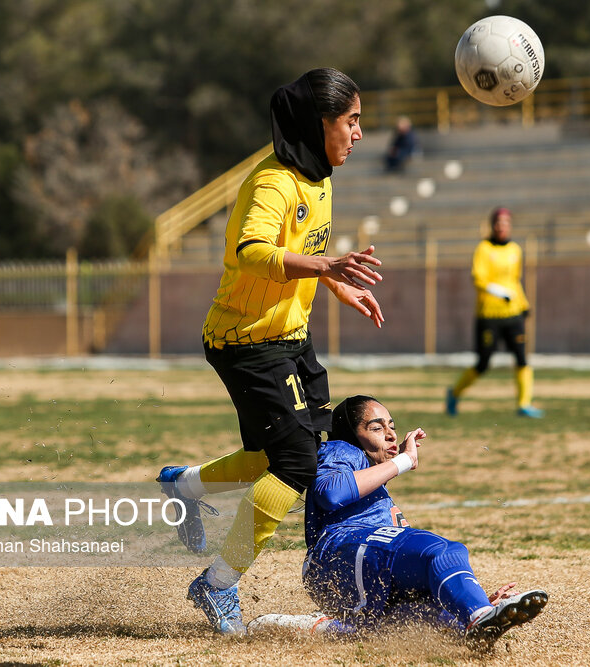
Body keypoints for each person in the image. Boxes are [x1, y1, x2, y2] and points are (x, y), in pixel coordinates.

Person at [155, 68, 388, 635]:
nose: (359, 133)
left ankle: (185, 485)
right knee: (295, 464)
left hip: (290, 339)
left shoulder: (319, 177)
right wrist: (327, 267)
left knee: (277, 459)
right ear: (319, 123)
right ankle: (217, 585)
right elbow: (253, 251)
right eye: (351, 120)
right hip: (246, 343)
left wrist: (335, 281)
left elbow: (307, 248)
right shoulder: (273, 182)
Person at [246, 395, 548, 651]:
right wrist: (403, 461)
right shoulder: (342, 449)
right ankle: (478, 614)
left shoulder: (374, 485)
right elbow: (330, 492)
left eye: (392, 426)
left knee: (435, 622)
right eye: (376, 428)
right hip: (337, 554)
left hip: (351, 569)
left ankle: (313, 627)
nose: (390, 434)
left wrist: (475, 599)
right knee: (441, 550)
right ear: (351, 434)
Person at [446, 207, 543, 418]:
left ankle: (524, 404)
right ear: (493, 225)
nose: (502, 227)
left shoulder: (515, 250)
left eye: (506, 223)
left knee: (521, 359)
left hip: (513, 313)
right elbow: (478, 278)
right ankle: (454, 393)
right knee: (483, 363)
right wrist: (498, 292)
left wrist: (523, 303)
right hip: (488, 315)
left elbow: (515, 281)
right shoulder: (484, 249)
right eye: (498, 223)